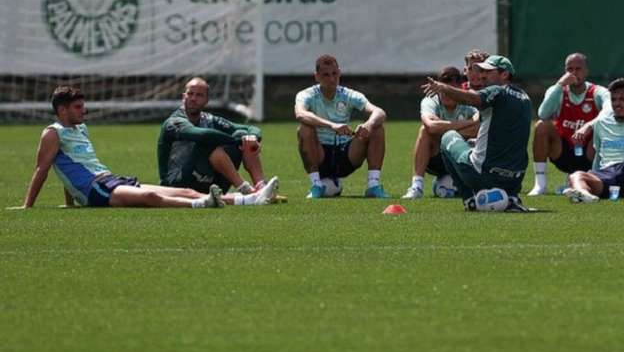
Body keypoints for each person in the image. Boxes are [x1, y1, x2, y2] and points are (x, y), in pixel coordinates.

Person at [20, 86, 279, 209]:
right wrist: (28, 206)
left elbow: (71, 167)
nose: (84, 110)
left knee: (186, 190)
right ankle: (205, 205)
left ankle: (251, 199)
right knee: (150, 199)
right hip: (94, 190)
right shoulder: (52, 133)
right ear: (62, 110)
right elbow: (43, 169)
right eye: (78, 107)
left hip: (108, 180)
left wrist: (70, 204)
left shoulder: (79, 129)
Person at [421, 55, 532, 212]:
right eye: (481, 71)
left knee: (448, 137)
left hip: (485, 175)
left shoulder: (497, 91)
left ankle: (470, 200)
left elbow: (472, 99)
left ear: (504, 74)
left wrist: (443, 87)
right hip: (515, 179)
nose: (482, 75)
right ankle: (511, 197)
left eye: (488, 71)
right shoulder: (525, 97)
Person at [158, 77, 272, 196]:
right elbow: (203, 135)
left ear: (207, 100)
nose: (193, 98)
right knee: (209, 142)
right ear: (183, 97)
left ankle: (261, 188)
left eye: (199, 95)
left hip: (208, 183)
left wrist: (252, 138)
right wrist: (237, 141)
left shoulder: (209, 119)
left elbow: (251, 129)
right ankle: (245, 189)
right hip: (177, 185)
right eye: (190, 94)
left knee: (243, 135)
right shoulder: (174, 122)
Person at [295, 54, 388, 198]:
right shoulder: (306, 95)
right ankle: (316, 186)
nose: (332, 79)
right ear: (317, 76)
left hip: (346, 155)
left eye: (334, 74)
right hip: (320, 155)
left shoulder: (348, 95)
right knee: (304, 129)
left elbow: (379, 111)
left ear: (339, 72)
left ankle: (373, 186)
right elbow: (300, 114)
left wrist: (368, 124)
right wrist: (332, 125)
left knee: (377, 128)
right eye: (326, 75)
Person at [528, 53, 611, 196]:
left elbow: (609, 110)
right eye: (569, 69)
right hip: (563, 151)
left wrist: (587, 126)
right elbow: (543, 113)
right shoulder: (557, 90)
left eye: (578, 69)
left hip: (590, 152)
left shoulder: (598, 92)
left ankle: (596, 178)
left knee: (603, 126)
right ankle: (540, 184)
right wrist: (560, 85)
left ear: (586, 71)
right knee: (542, 125)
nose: (573, 73)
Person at [401, 66, 479, 199]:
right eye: (444, 90)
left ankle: (446, 184)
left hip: (460, 156)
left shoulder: (468, 102)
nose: (446, 94)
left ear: (458, 90)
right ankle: (417, 186)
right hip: (436, 157)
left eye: (450, 90)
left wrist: (443, 128)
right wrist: (467, 123)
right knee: (424, 131)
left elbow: (479, 128)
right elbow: (431, 126)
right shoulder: (430, 100)